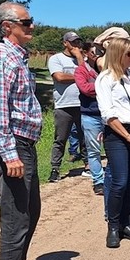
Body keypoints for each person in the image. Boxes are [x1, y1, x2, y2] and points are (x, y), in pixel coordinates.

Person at [0, 2, 47, 260]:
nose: (32, 26)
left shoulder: (17, 56)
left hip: (24, 144)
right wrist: (10, 155)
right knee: (16, 216)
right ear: (7, 27)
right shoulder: (0, 57)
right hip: (13, 144)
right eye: (26, 22)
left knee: (31, 210)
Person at [95, 37, 130, 248]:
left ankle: (125, 224)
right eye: (129, 54)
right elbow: (108, 114)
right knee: (120, 182)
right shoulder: (105, 79)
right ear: (117, 54)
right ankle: (113, 226)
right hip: (117, 134)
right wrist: (128, 136)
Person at [47, 31, 86, 182]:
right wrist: (79, 77)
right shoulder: (56, 58)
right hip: (64, 105)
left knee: (85, 137)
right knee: (60, 139)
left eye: (78, 42)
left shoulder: (82, 59)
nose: (76, 44)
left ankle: (88, 165)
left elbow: (88, 76)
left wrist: (80, 58)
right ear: (65, 43)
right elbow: (59, 77)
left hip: (83, 104)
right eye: (73, 42)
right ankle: (55, 169)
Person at [73, 40, 105, 196]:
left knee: (114, 149)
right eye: (94, 52)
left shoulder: (108, 68)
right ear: (85, 53)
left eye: (100, 52)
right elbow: (85, 89)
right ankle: (98, 181)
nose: (97, 55)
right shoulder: (80, 71)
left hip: (110, 115)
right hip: (90, 115)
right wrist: (105, 86)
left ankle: (115, 178)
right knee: (93, 151)